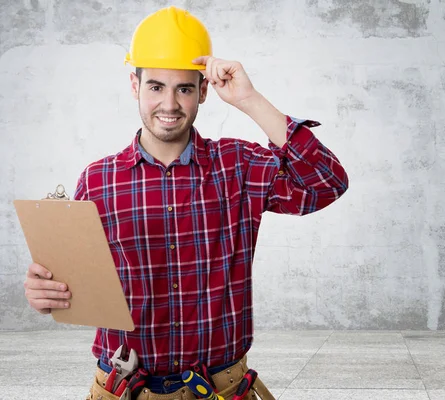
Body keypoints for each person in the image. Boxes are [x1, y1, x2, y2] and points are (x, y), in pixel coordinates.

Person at [22, 6, 348, 400]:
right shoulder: (98, 181)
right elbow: (77, 284)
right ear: (134, 85)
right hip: (124, 387)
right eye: (156, 86)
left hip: (220, 388)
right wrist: (47, 294)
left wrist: (248, 99)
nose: (170, 104)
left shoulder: (238, 166)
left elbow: (326, 183)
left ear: (204, 91)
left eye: (185, 88)